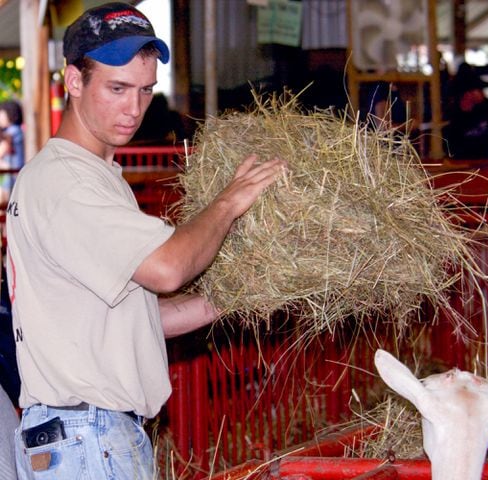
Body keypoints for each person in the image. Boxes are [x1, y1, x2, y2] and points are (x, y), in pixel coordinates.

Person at [5, 3, 284, 479]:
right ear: (74, 81)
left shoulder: (93, 177)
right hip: (87, 436)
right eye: (117, 89)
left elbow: (136, 314)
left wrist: (238, 297)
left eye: (145, 91)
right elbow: (167, 269)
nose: (134, 109)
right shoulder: (66, 182)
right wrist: (228, 202)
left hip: (89, 436)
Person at [444, 65, 488, 160]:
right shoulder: (452, 114)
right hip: (461, 165)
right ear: (468, 92)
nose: (482, 93)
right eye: (478, 89)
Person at [0, 100, 24, 203]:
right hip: (13, 175)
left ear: (9, 114)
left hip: (13, 176)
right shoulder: (17, 130)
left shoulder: (13, 131)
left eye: (1, 114)